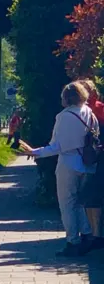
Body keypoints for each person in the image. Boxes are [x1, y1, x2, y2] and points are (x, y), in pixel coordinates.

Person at [22, 82, 98, 256]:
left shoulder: (64, 117)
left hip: (68, 164)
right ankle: (87, 234)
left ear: (66, 97)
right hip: (87, 164)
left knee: (67, 204)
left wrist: (36, 152)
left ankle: (73, 241)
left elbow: (57, 146)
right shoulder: (89, 113)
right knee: (80, 202)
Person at [80, 79, 104, 249]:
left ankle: (94, 234)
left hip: (93, 158)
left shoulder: (87, 112)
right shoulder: (94, 110)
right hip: (96, 157)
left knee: (91, 195)